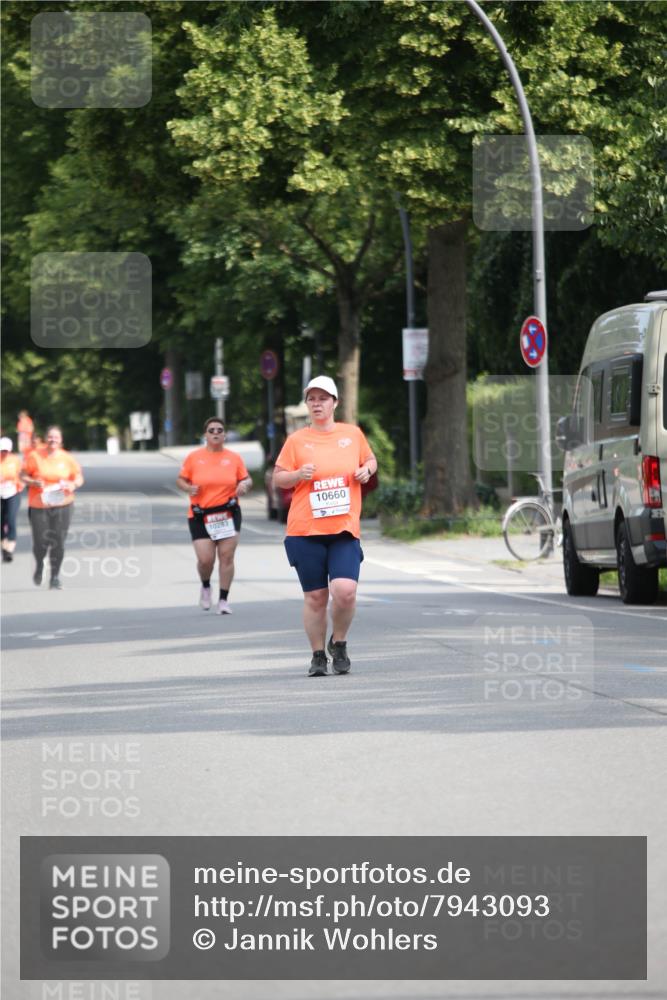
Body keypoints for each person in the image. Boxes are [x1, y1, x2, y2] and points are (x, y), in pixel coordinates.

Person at [273, 375, 377, 677]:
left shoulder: (352, 434)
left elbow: (371, 461)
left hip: (343, 529)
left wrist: (366, 470)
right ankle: (318, 655)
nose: (317, 404)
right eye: (312, 399)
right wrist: (297, 475)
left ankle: (339, 643)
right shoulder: (296, 440)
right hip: (306, 530)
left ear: (335, 403)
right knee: (316, 597)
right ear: (307, 404)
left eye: (323, 398)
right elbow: (278, 477)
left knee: (345, 591)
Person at [176, 416, 253, 614]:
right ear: (206, 435)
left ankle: (223, 600)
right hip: (201, 514)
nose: (216, 433)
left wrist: (244, 485)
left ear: (225, 435)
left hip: (228, 513)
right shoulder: (194, 457)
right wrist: (188, 488)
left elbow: (246, 479)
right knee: (206, 560)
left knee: (226, 557)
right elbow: (181, 480)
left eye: (220, 430)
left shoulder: (234, 458)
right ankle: (205, 585)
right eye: (212, 430)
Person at [21, 425, 84, 589]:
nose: (53, 440)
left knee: (58, 541)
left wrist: (73, 485)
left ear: (61, 440)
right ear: (45, 438)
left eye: (56, 437)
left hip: (63, 503)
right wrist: (33, 482)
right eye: (50, 436)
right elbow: (22, 475)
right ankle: (39, 565)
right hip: (39, 503)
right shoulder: (34, 456)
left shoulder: (67, 458)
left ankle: (55, 577)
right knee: (40, 541)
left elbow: (78, 477)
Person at [1, 437, 24, 563]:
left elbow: (22, 475)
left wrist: (21, 482)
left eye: (6, 451)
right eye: (2, 451)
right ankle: (4, 547)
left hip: (12, 493)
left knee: (11, 520)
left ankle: (9, 549)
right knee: (1, 522)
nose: (4, 453)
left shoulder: (15, 460)